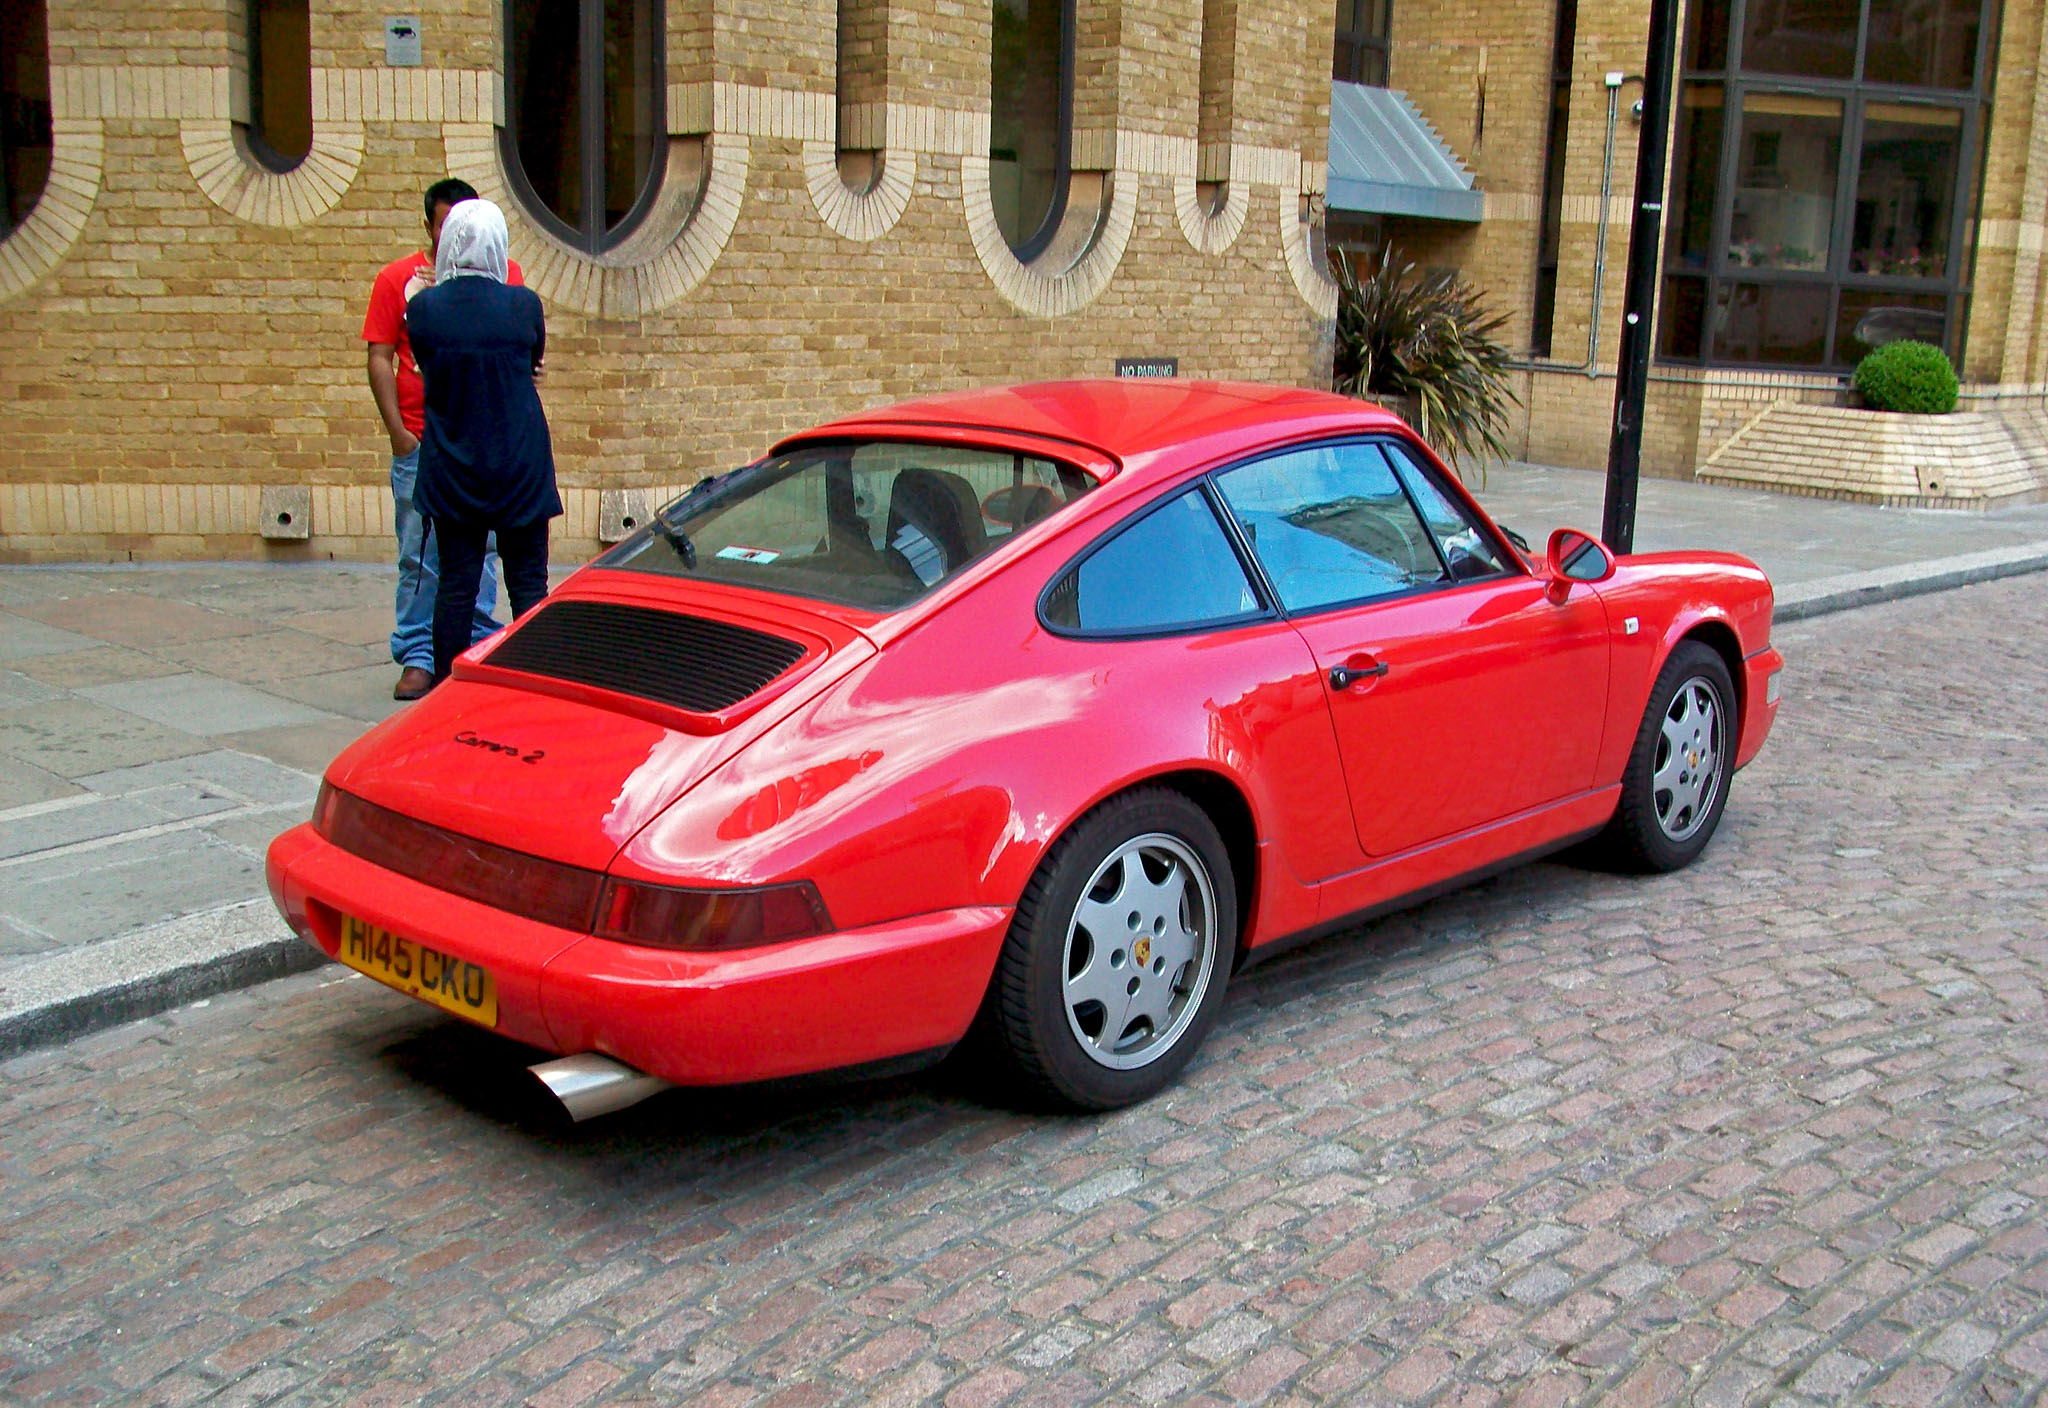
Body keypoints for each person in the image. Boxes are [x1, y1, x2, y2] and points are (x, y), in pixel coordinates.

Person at [362, 179, 526, 701]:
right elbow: (380, 356)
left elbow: (525, 361)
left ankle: (475, 641)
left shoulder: (510, 283)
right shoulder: (401, 283)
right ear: (429, 227)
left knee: (483, 553)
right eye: (444, 224)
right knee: (420, 549)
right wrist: (400, 434)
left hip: (485, 444)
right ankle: (417, 651)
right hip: (424, 439)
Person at [405, 199, 561, 686]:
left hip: (454, 462)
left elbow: (427, 362)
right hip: (519, 464)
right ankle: (536, 682)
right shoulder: (523, 304)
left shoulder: (423, 309)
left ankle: (451, 689)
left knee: (456, 583)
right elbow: (532, 359)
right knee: (529, 585)